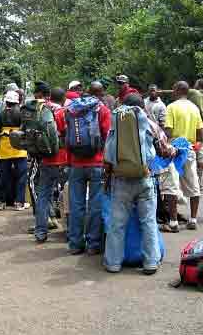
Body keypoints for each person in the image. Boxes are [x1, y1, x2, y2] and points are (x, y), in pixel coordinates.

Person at [103, 94, 161, 275]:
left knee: (117, 224)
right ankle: (151, 262)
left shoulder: (116, 124)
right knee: (149, 221)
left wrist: (108, 176)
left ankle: (113, 263)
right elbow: (162, 149)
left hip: (120, 180)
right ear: (142, 107)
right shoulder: (151, 125)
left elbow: (108, 155)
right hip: (145, 178)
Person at [66, 83, 111, 255]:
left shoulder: (71, 109)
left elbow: (67, 137)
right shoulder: (102, 110)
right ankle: (93, 244)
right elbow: (108, 138)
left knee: (76, 205)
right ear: (99, 94)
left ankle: (75, 244)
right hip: (97, 164)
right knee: (95, 204)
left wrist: (69, 161)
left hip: (76, 164)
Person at [164, 81, 203, 231]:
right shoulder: (194, 108)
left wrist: (164, 144)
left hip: (174, 150)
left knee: (171, 186)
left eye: (173, 89)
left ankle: (173, 222)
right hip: (189, 149)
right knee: (193, 184)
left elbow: (168, 131)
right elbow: (200, 134)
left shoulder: (171, 107)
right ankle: (193, 219)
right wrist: (195, 146)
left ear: (177, 90)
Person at [33, 83, 68, 243]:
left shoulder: (41, 111)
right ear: (63, 99)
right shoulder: (61, 112)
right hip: (62, 160)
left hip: (45, 159)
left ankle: (41, 231)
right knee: (68, 194)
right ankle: (69, 230)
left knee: (43, 195)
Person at [0, 90, 29, 211]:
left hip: (4, 148)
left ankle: (1, 201)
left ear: (7, 102)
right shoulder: (21, 113)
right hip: (19, 148)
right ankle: (19, 202)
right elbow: (25, 129)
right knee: (22, 175)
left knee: (4, 175)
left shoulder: (1, 114)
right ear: (16, 101)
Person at [187, 79, 203, 188]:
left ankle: (190, 182)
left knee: (190, 153)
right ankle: (198, 181)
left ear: (199, 85)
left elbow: (180, 89)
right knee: (201, 155)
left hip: (193, 129)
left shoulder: (193, 92)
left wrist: (160, 91)